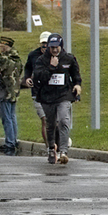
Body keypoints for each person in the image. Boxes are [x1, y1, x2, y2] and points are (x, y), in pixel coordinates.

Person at [32, 33, 82, 164]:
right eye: (52, 47)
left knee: (64, 120)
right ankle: (51, 148)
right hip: (47, 96)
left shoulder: (68, 59)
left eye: (57, 47)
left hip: (63, 95)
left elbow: (76, 75)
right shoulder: (42, 60)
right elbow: (38, 78)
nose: (54, 50)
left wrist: (77, 85)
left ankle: (63, 151)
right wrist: (52, 67)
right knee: (51, 123)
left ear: (61, 46)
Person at [0, 36, 24, 155]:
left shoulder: (4, 59)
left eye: (1, 46)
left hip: (5, 91)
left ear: (6, 46)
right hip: (14, 91)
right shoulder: (17, 59)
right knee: (12, 116)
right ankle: (14, 139)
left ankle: (10, 142)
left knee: (7, 118)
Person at [23, 31, 54, 144]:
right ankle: (49, 147)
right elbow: (27, 68)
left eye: (47, 43)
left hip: (53, 92)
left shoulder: (56, 55)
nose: (45, 46)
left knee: (56, 121)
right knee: (45, 120)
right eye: (43, 43)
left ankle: (58, 143)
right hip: (38, 93)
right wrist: (27, 78)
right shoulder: (33, 55)